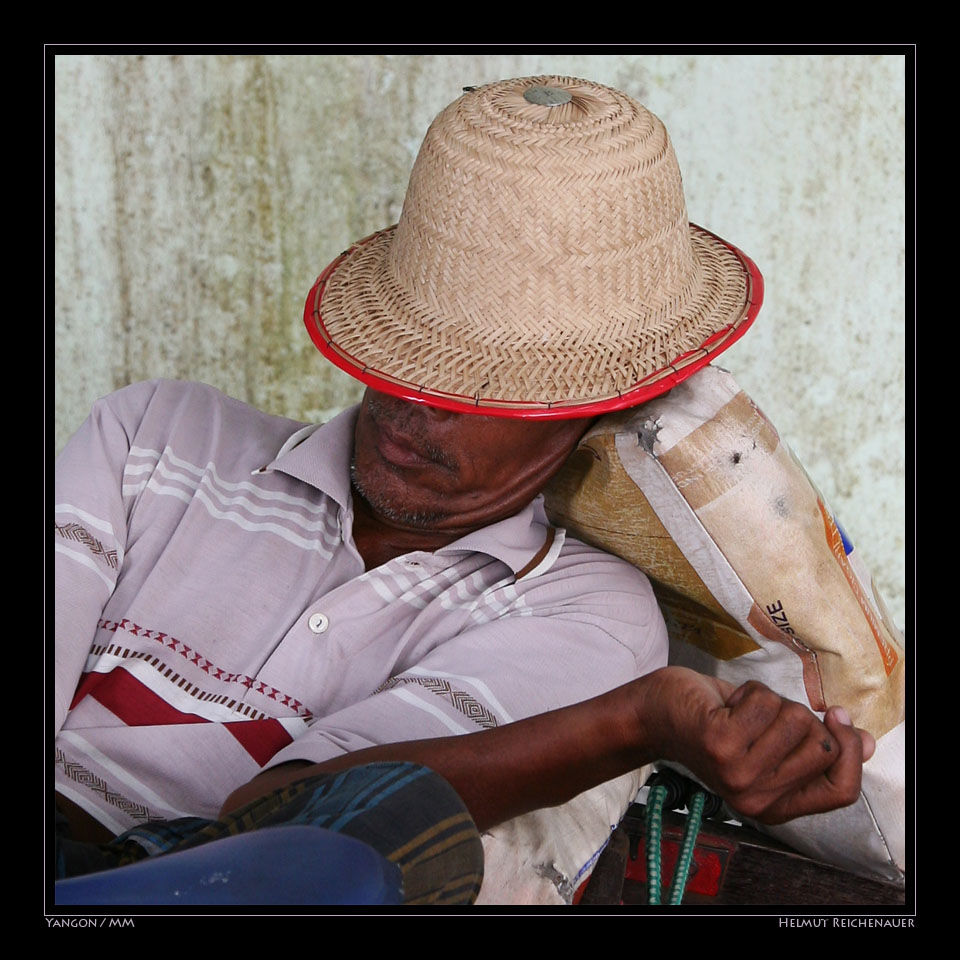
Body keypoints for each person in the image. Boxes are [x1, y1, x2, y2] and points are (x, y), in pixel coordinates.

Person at [54, 76, 873, 905]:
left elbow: (288, 827)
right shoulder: (156, 433)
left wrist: (643, 718)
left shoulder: (585, 612)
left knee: (383, 840)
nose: (412, 404)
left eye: (475, 386)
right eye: (405, 354)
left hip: (201, 883)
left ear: (604, 403)